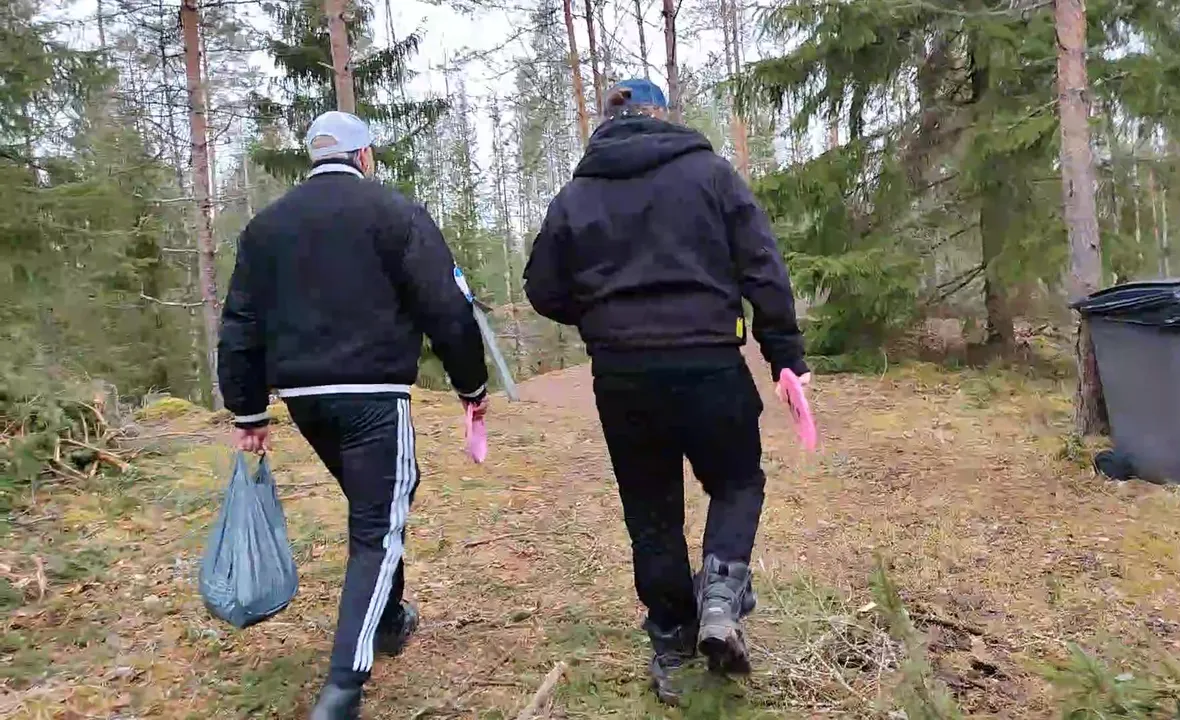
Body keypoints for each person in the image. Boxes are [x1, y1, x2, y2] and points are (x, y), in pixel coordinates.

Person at [522, 79, 810, 704]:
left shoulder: (576, 196)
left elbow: (542, 289)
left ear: (607, 121)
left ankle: (674, 648)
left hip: (622, 375)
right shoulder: (711, 174)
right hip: (710, 361)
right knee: (737, 481)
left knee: (651, 512)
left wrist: (604, 317)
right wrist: (785, 355)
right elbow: (763, 267)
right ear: (663, 116)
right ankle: (722, 595)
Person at [217, 111, 490, 719]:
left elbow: (240, 322)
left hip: (304, 400)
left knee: (379, 505)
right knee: (378, 526)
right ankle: (342, 689)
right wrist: (471, 384)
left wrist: (248, 409)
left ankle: (388, 618)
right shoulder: (395, 213)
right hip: (373, 395)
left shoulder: (266, 227)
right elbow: (447, 307)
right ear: (364, 156)